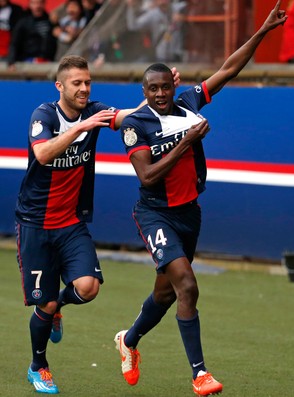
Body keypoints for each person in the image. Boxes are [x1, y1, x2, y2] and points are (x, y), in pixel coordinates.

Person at [114, 1, 287, 396]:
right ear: (144, 92)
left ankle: (129, 340)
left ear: (174, 86)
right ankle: (200, 374)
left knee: (164, 292)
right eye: (153, 89)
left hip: (189, 213)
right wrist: (185, 142)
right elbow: (147, 174)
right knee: (188, 287)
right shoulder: (136, 125)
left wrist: (262, 31)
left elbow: (228, 68)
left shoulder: (188, 102)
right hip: (154, 213)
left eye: (165, 87)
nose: (160, 94)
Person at [15, 54, 179, 394]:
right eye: (77, 83)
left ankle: (58, 307)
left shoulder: (95, 110)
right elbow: (43, 154)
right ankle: (38, 366)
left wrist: (157, 96)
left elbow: (130, 116)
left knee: (88, 288)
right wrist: (80, 128)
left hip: (71, 222)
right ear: (60, 86)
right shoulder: (43, 115)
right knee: (41, 304)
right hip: (35, 223)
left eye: (87, 82)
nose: (84, 89)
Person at [7, 0, 57, 69]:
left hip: (48, 61)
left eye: (40, 3)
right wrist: (11, 62)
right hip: (27, 61)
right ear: (30, 5)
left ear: (44, 4)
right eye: (34, 3)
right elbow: (14, 43)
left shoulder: (51, 21)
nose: (37, 6)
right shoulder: (23, 22)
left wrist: (56, 24)